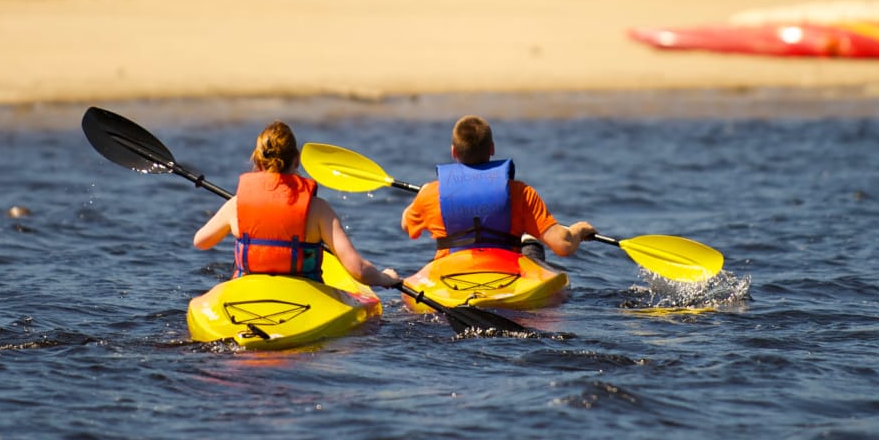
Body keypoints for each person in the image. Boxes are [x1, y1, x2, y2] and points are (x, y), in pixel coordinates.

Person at [193, 121, 400, 290]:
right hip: (304, 297)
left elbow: (201, 242)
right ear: (297, 159)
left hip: (246, 294)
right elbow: (358, 270)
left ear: (257, 160)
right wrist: (385, 278)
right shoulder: (318, 209)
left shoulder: (236, 204)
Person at [401, 115, 594, 260]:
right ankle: (530, 241)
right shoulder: (520, 192)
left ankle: (530, 241)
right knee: (533, 252)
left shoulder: (430, 194)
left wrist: (423, 193)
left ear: (454, 152)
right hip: (507, 274)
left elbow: (406, 225)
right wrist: (578, 230)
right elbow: (563, 245)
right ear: (492, 148)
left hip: (450, 276)